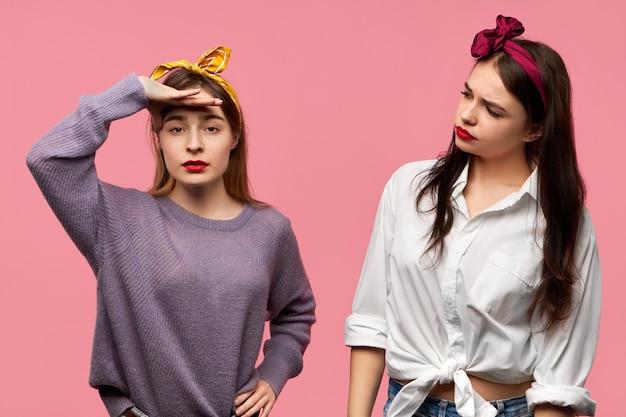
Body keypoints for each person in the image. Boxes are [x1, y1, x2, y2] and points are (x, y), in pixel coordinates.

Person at [27, 46, 316, 417]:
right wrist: (132, 93)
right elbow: (47, 158)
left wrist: (273, 375)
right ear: (159, 138)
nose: (193, 143)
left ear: (235, 137)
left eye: (211, 128)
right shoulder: (119, 219)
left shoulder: (270, 230)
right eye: (176, 128)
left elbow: (296, 312)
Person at [345, 16, 601, 417]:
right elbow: (372, 321)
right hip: (407, 406)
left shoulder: (563, 221)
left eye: (493, 111)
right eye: (467, 95)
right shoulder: (409, 188)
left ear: (534, 130)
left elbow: (560, 378)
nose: (466, 115)